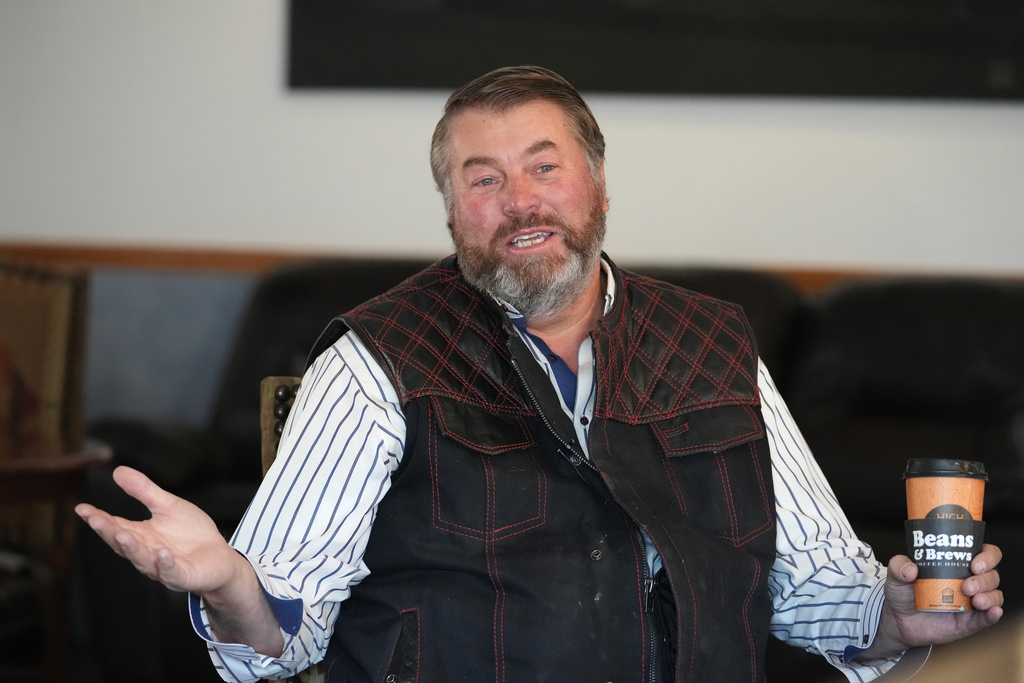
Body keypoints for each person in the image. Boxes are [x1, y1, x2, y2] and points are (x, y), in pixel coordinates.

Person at [76, 65, 1003, 682]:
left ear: (598, 186)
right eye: (481, 180)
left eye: (543, 168)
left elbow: (818, 595)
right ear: (452, 216)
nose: (517, 201)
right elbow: (280, 630)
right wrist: (227, 581)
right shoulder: (374, 359)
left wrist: (900, 614)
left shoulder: (716, 342)